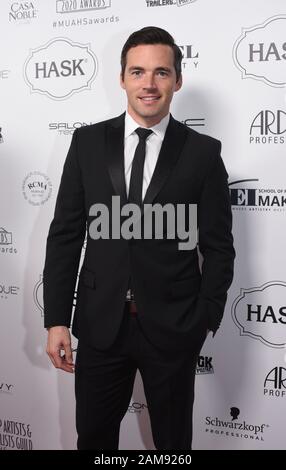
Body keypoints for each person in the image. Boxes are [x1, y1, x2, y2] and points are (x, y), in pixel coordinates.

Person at [44, 26, 235, 450]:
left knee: (172, 446)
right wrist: (57, 318)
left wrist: (205, 316)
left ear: (178, 80)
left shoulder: (203, 152)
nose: (149, 84)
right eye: (138, 72)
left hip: (174, 325)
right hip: (99, 325)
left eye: (161, 73)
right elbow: (65, 235)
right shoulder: (87, 142)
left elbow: (219, 246)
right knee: (93, 441)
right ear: (122, 78)